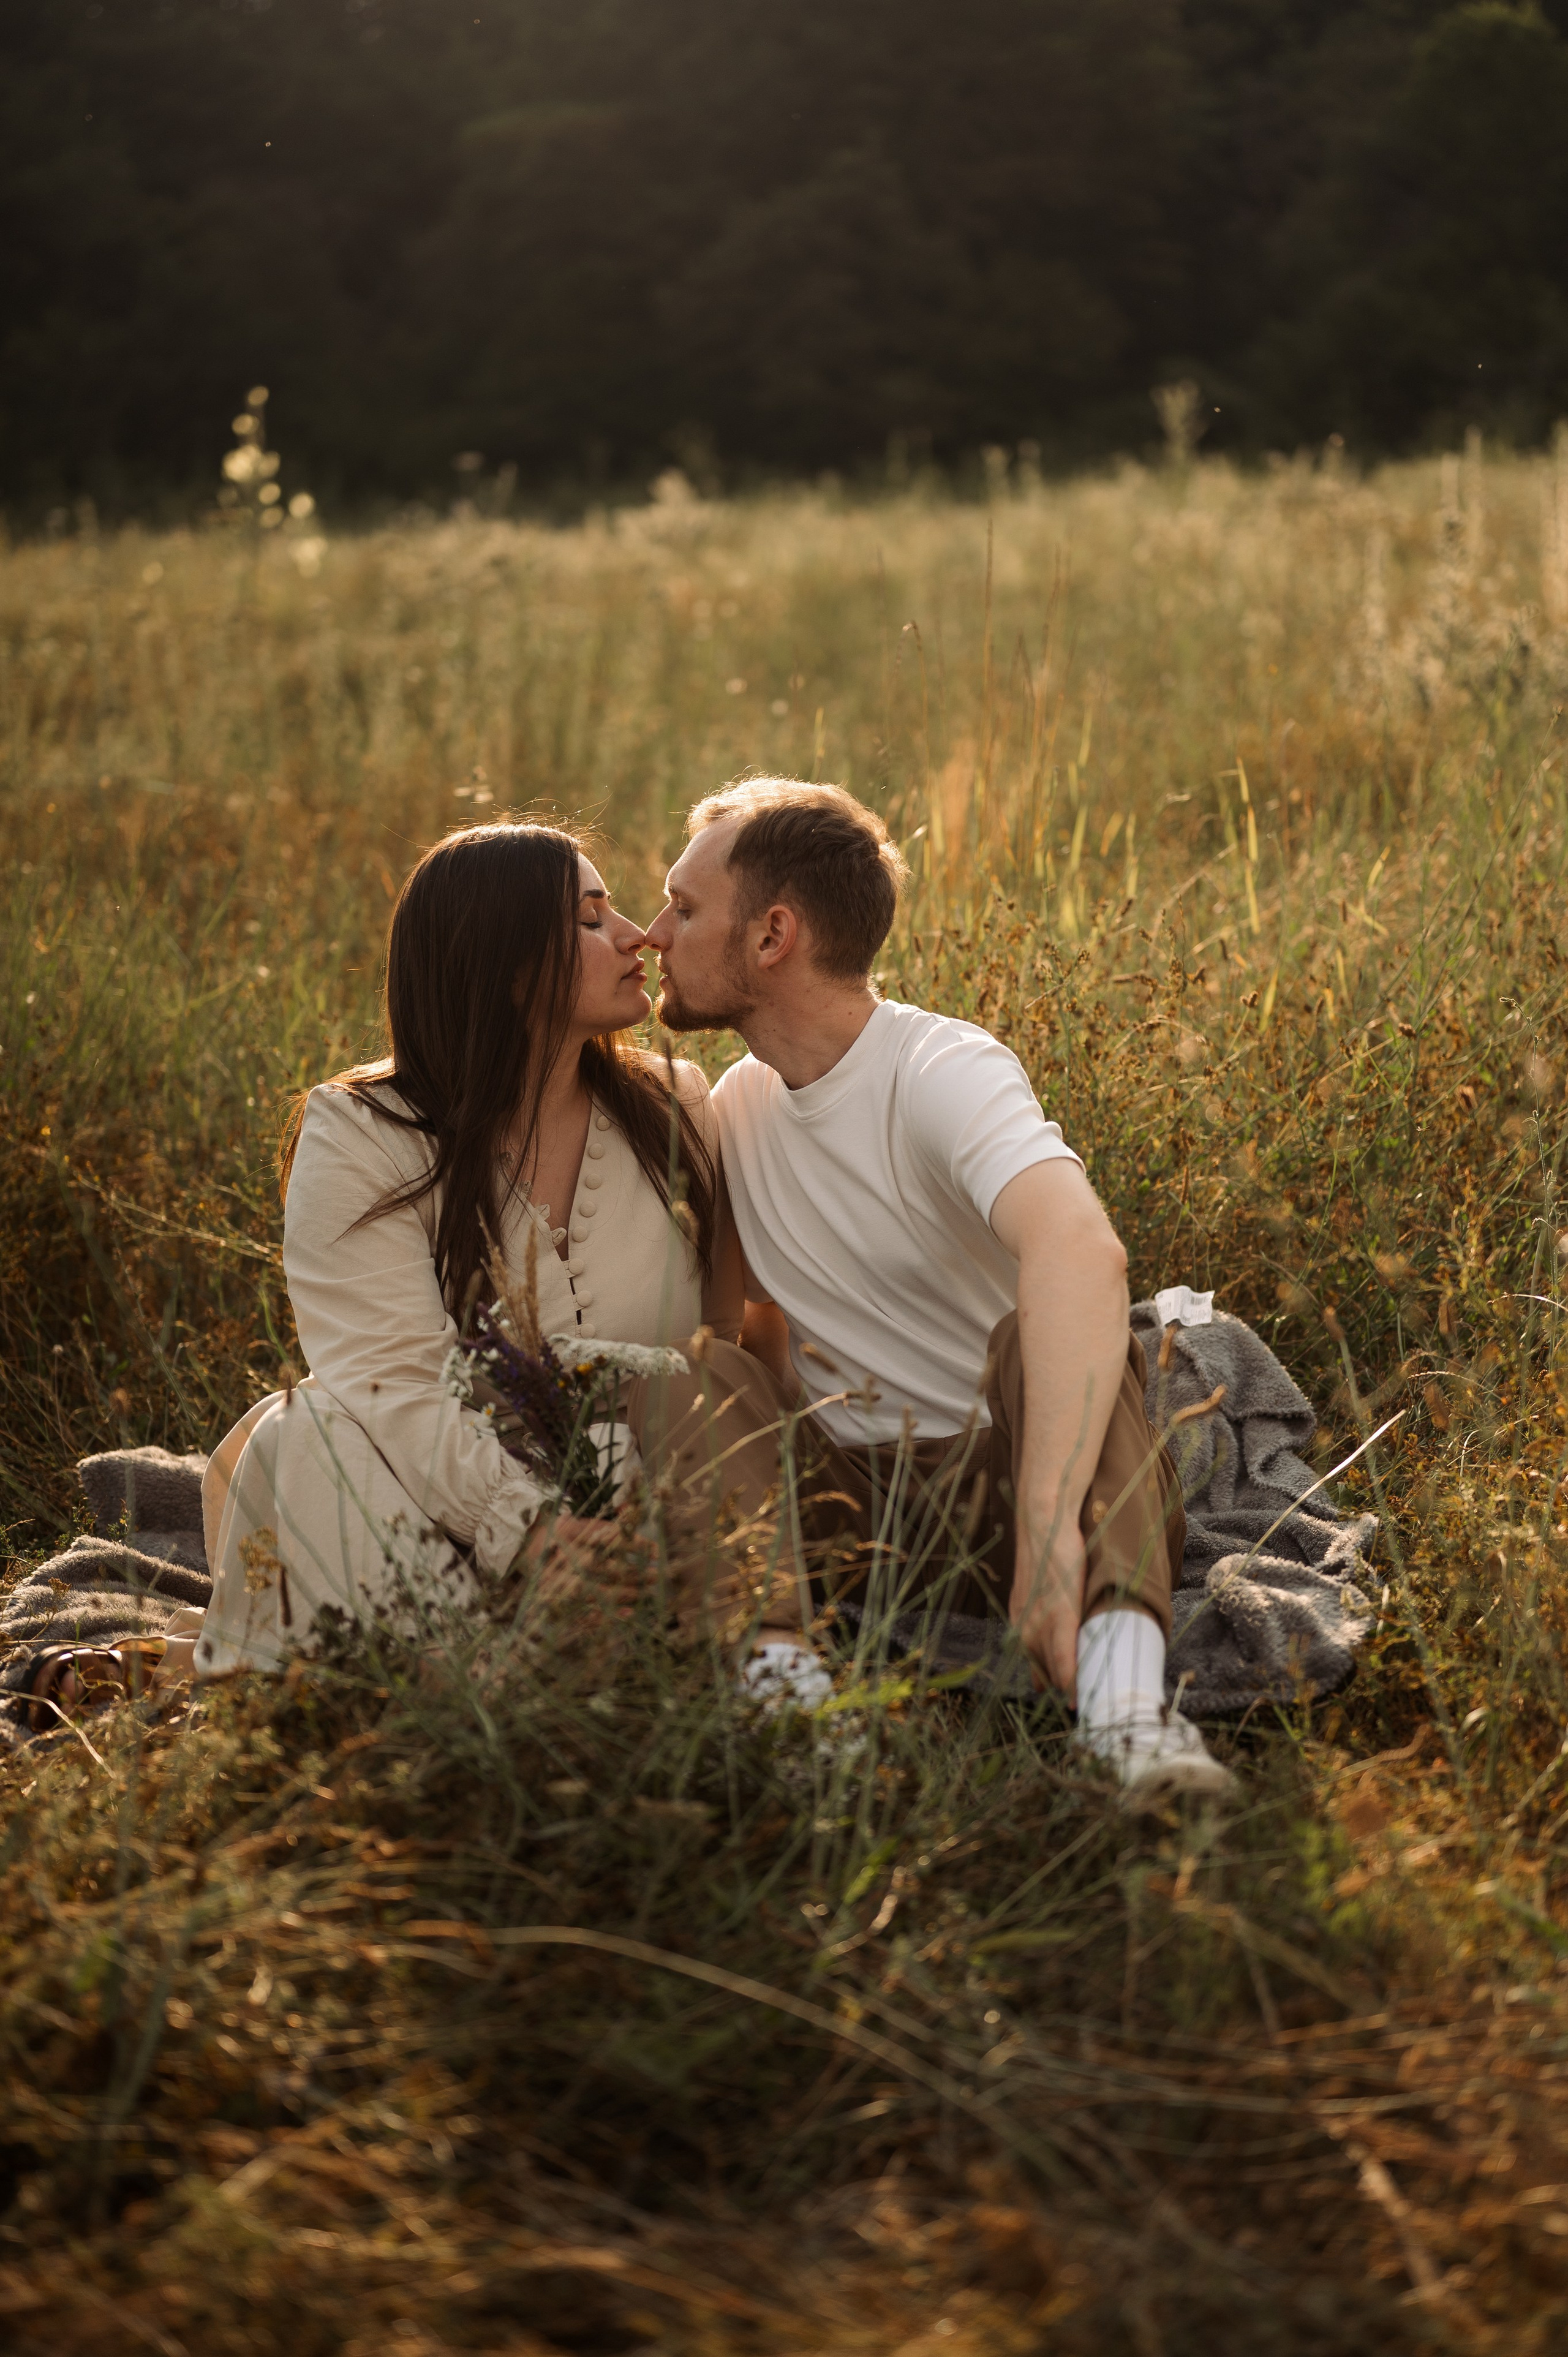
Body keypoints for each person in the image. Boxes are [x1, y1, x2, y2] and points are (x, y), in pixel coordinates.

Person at [644, 779, 1232, 1800]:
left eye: (684, 907)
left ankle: (1128, 1721)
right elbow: (746, 1331)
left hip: (1001, 1484)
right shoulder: (733, 1108)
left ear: (773, 934)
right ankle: (799, 1720)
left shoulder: (940, 1067)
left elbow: (1082, 1252)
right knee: (703, 1368)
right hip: (848, 1513)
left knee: (1065, 1345)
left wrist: (1047, 1531)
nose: (656, 935)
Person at [181, 823, 813, 1687]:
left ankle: (723, 1668)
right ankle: (484, 1690)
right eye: (592, 921)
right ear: (507, 967)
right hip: (439, 1515)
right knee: (307, 1431)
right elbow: (387, 1377)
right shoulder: (363, 1133)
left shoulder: (677, 1107)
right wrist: (529, 1528)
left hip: (641, 1519)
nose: (637, 935)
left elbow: (725, 1353)